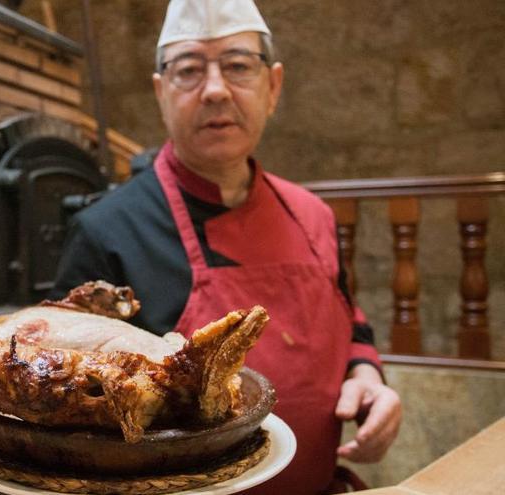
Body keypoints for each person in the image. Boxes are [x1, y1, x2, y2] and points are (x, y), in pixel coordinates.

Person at [50, 0, 402, 493]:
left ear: (273, 86)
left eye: (238, 66)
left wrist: (368, 376)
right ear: (161, 92)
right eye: (190, 70)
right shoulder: (106, 233)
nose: (215, 89)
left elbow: (348, 316)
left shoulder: (313, 214)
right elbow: (67, 410)